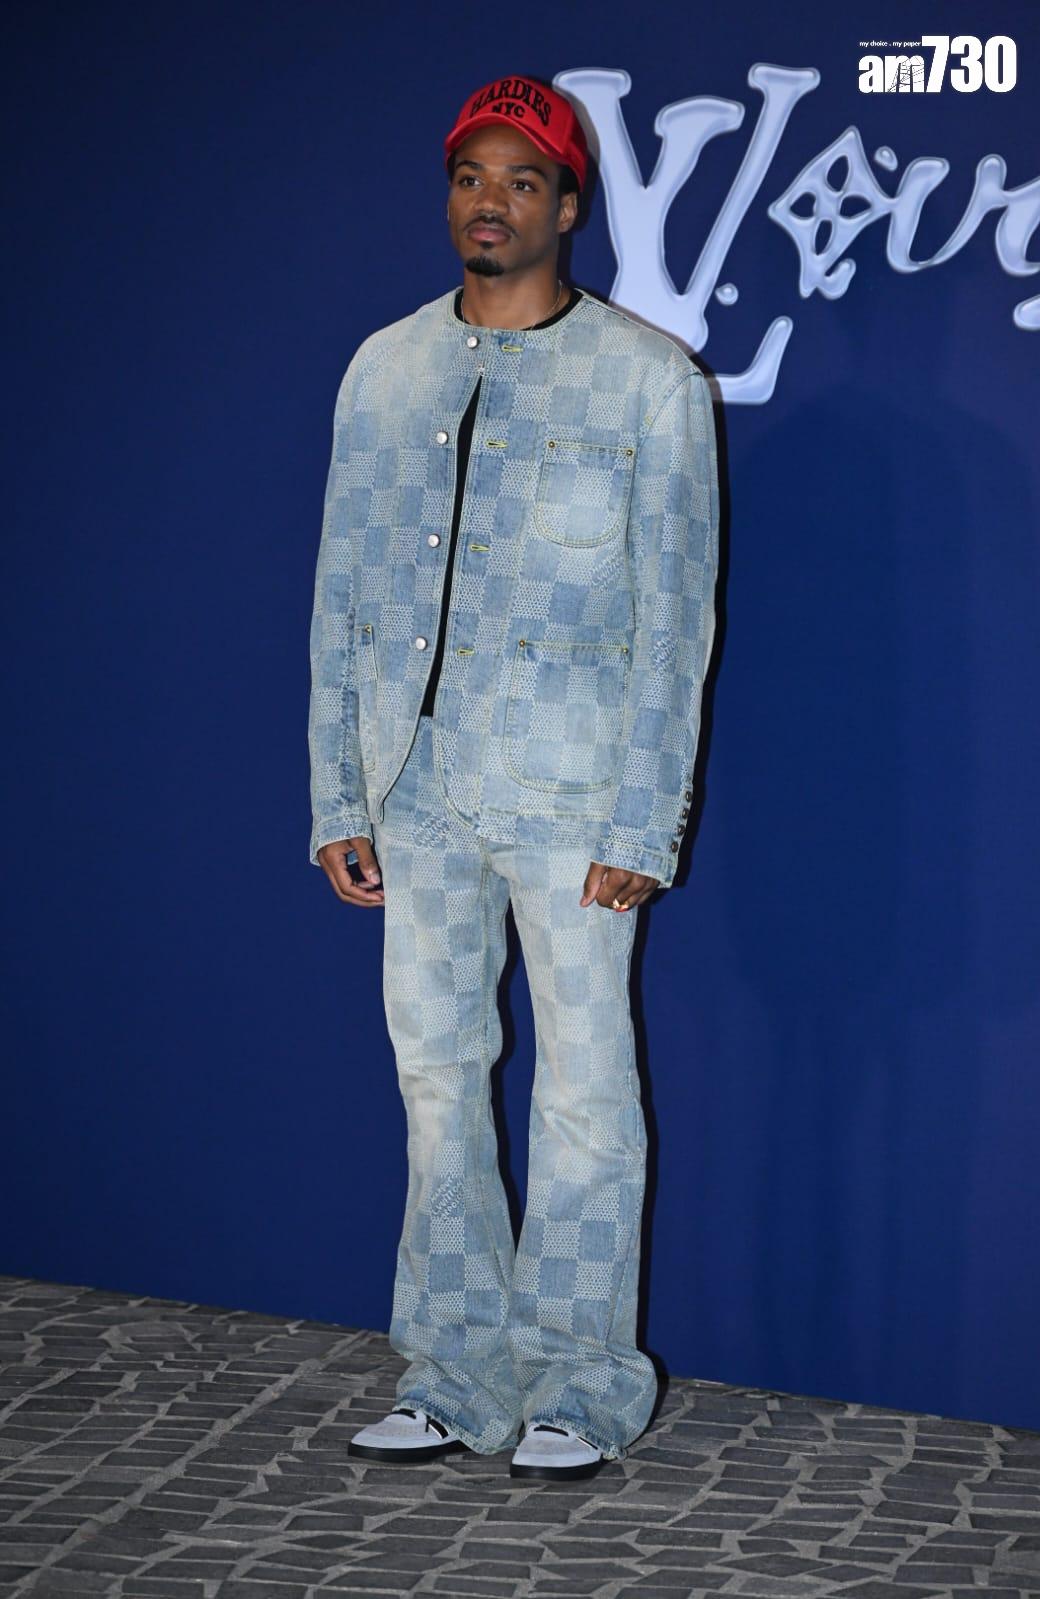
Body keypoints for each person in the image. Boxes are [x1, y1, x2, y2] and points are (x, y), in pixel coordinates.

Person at [307, 73, 720, 1480]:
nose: (491, 202)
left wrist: (644, 815)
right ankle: (454, 1373)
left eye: (522, 179)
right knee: (436, 1082)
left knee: (585, 1095)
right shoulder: (383, 371)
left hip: (574, 794)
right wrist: (338, 792)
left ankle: (582, 1386)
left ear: (567, 206)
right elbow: (342, 598)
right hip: (414, 790)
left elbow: (675, 620)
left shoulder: (648, 382)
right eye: (470, 177)